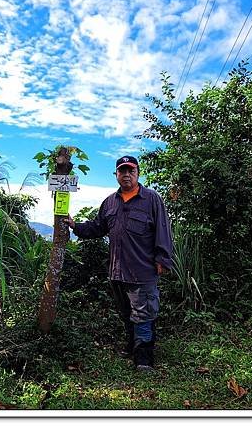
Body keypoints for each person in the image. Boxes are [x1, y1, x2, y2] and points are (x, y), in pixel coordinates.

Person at [63, 155, 173, 370]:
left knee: (143, 313)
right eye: (122, 171)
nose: (126, 175)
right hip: (117, 271)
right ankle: (133, 345)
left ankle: (144, 359)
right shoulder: (110, 202)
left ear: (138, 173)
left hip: (142, 270)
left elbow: (163, 230)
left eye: (131, 171)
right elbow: (98, 227)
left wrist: (163, 259)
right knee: (126, 313)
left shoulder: (151, 199)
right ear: (116, 175)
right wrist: (75, 226)